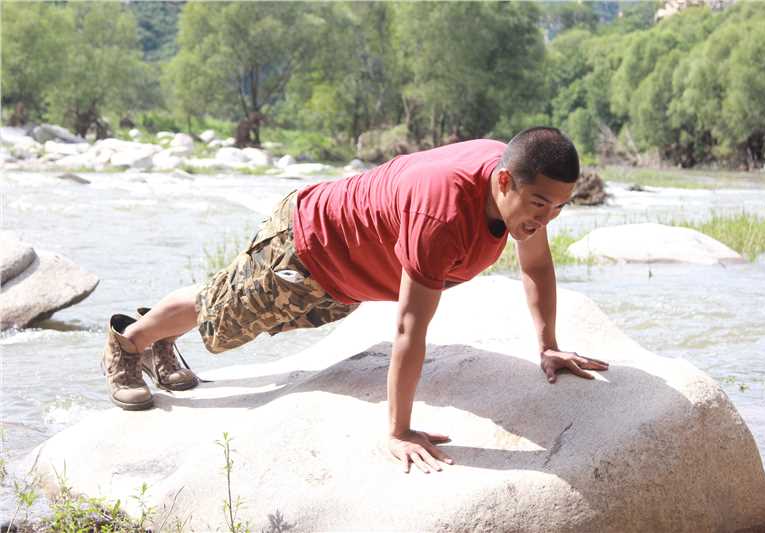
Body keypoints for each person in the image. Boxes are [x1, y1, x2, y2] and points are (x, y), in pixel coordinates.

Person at [100, 126, 610, 474]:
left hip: (348, 279)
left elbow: (536, 265)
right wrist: (399, 430)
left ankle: (160, 339)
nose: (546, 218)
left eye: (560, 207)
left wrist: (547, 346)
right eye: (540, 204)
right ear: (504, 181)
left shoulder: (522, 185)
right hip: (306, 243)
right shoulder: (443, 220)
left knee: (233, 322)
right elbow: (410, 330)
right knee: (219, 316)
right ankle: (130, 341)